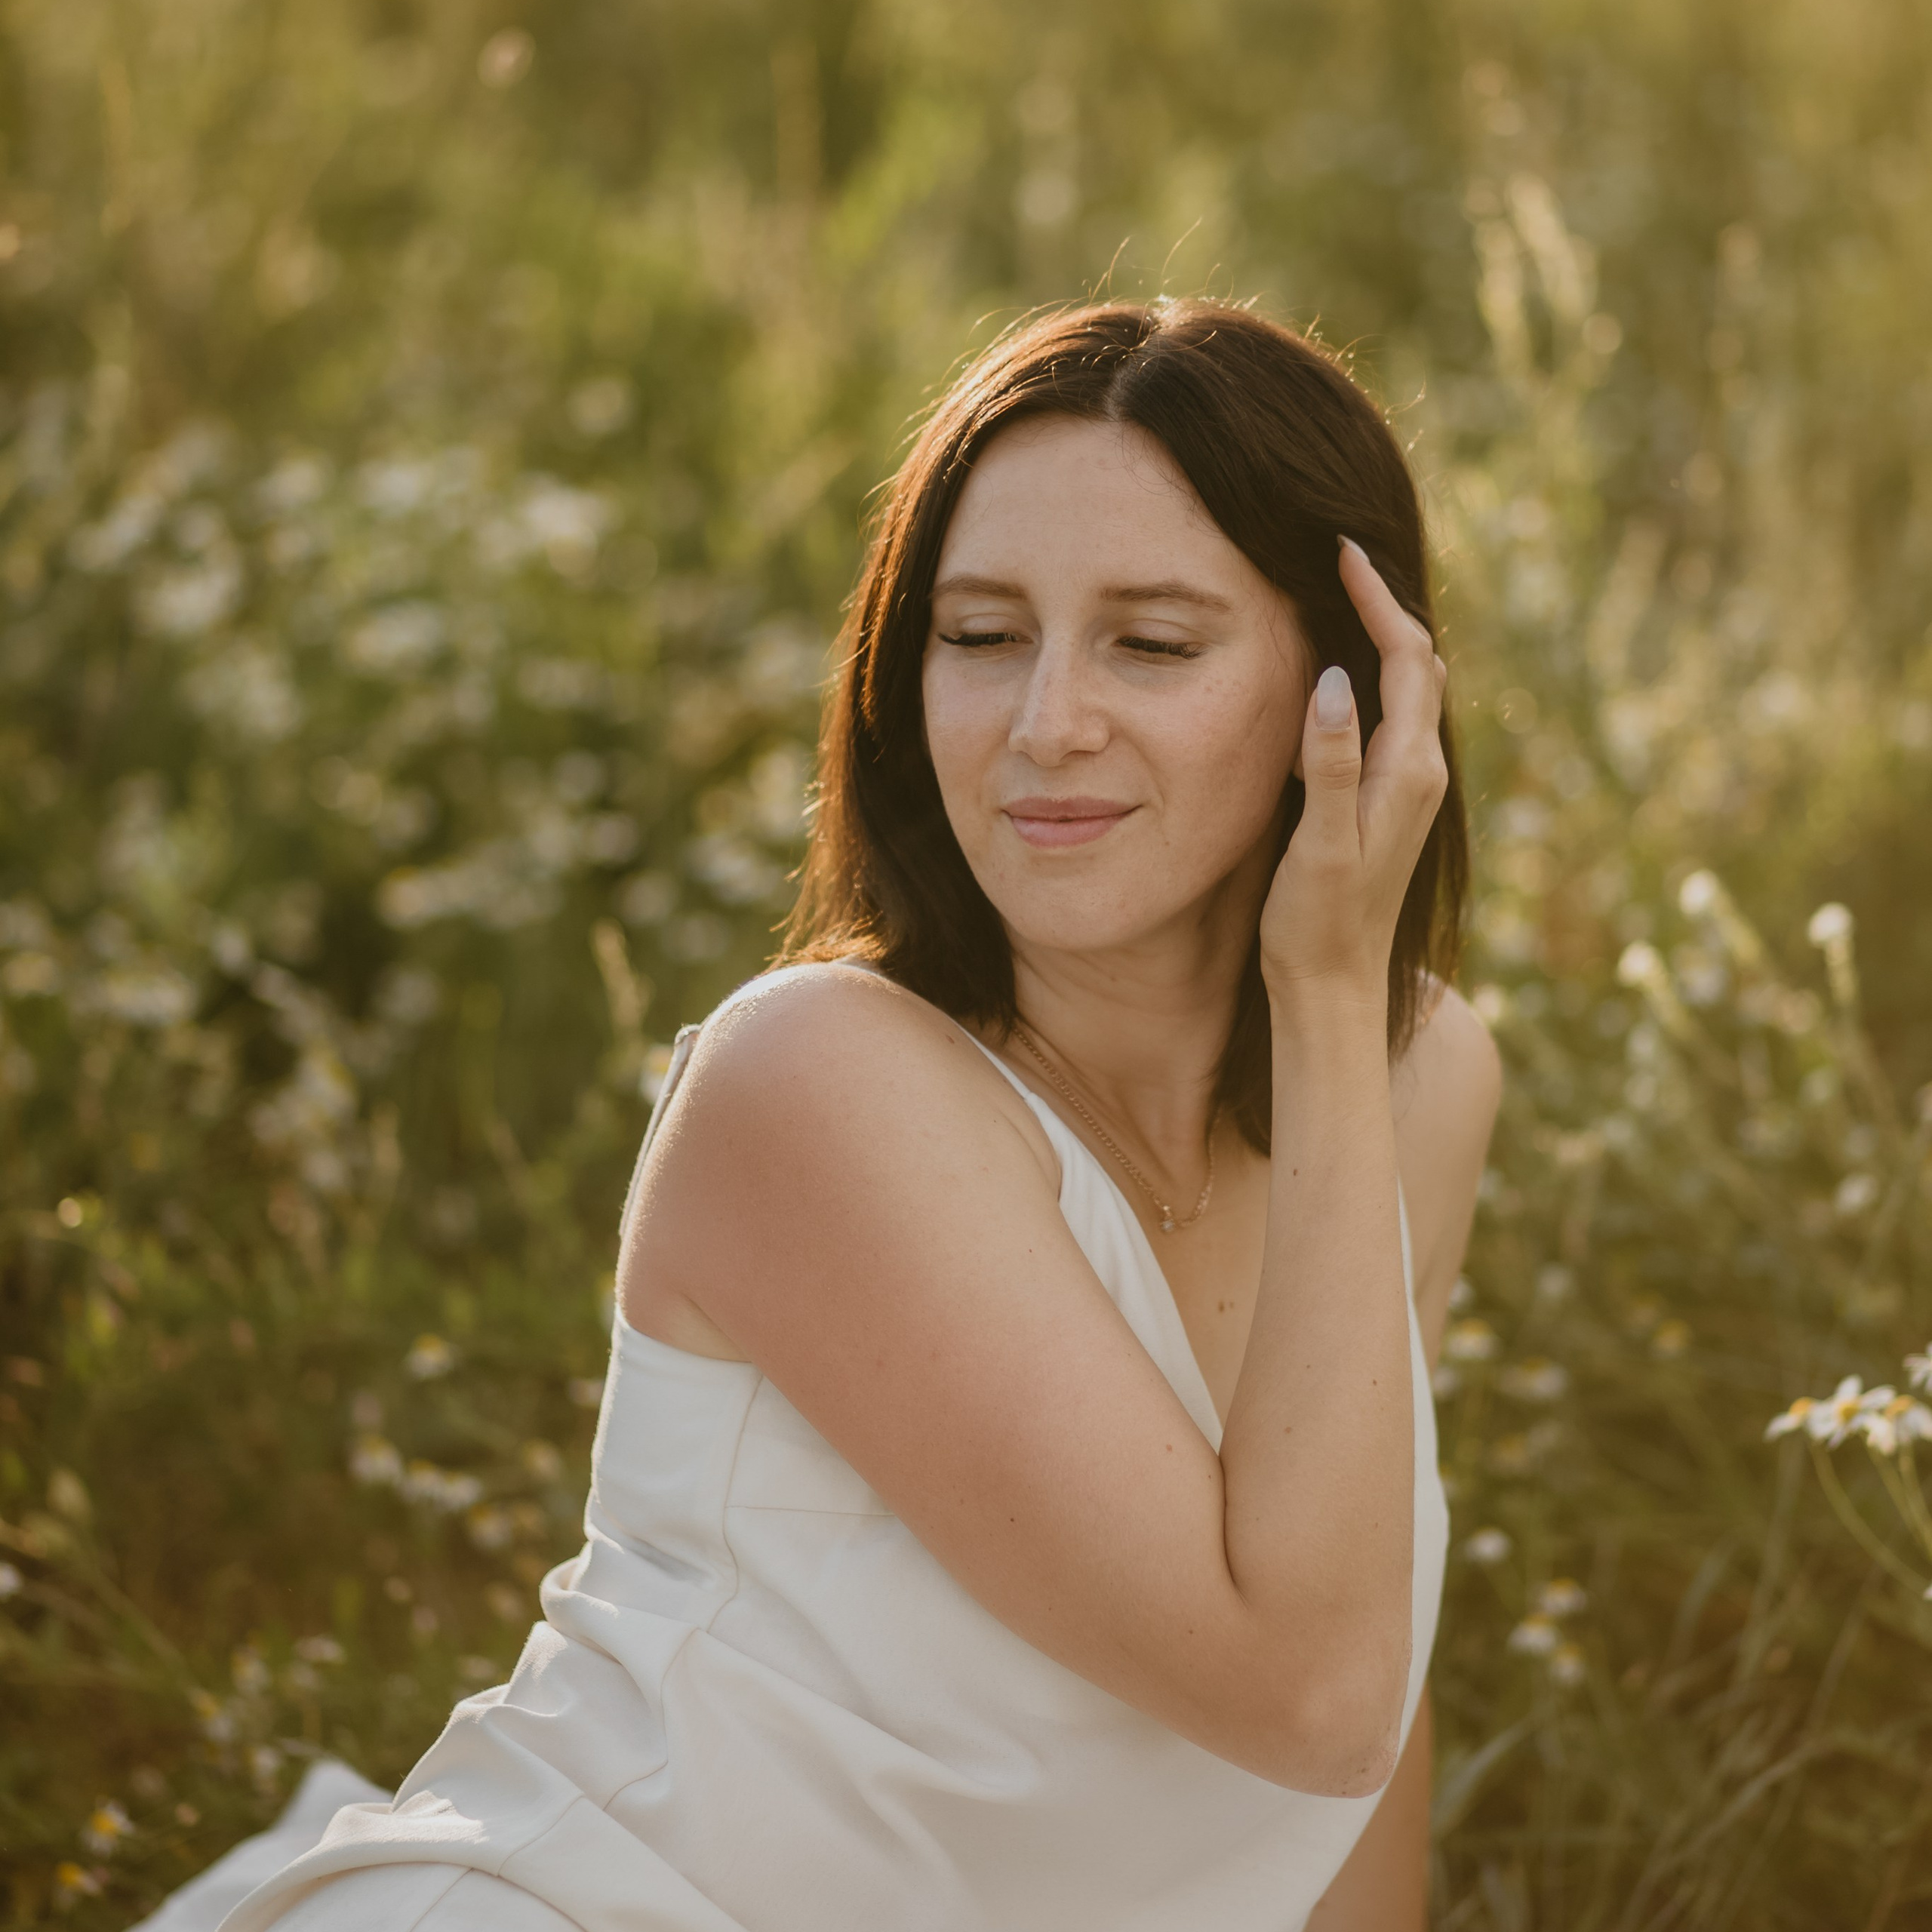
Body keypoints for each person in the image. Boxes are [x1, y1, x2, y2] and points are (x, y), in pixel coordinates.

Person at [205, 298, 1498, 1931]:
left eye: (1150, 642)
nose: (1042, 724)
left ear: (1354, 689)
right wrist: (1317, 993)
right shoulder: (817, 1079)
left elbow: (1355, 1693)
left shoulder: (1420, 1080)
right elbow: (1304, 1691)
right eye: (978, 634)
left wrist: (1333, 1024)